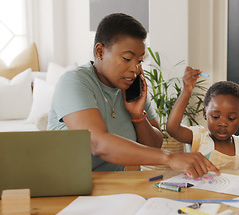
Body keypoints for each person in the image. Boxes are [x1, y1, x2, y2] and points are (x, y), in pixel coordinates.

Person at [47, 13, 219, 178]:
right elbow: (97, 143)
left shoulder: (131, 87)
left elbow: (154, 144)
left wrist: (138, 117)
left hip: (111, 186)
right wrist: (170, 158)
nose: (135, 69)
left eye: (139, 61)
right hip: (68, 188)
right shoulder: (75, 82)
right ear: (99, 52)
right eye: (127, 59)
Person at [166, 68, 239, 169]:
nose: (223, 123)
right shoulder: (199, 138)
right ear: (205, 113)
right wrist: (186, 91)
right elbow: (173, 129)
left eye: (231, 118)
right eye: (215, 117)